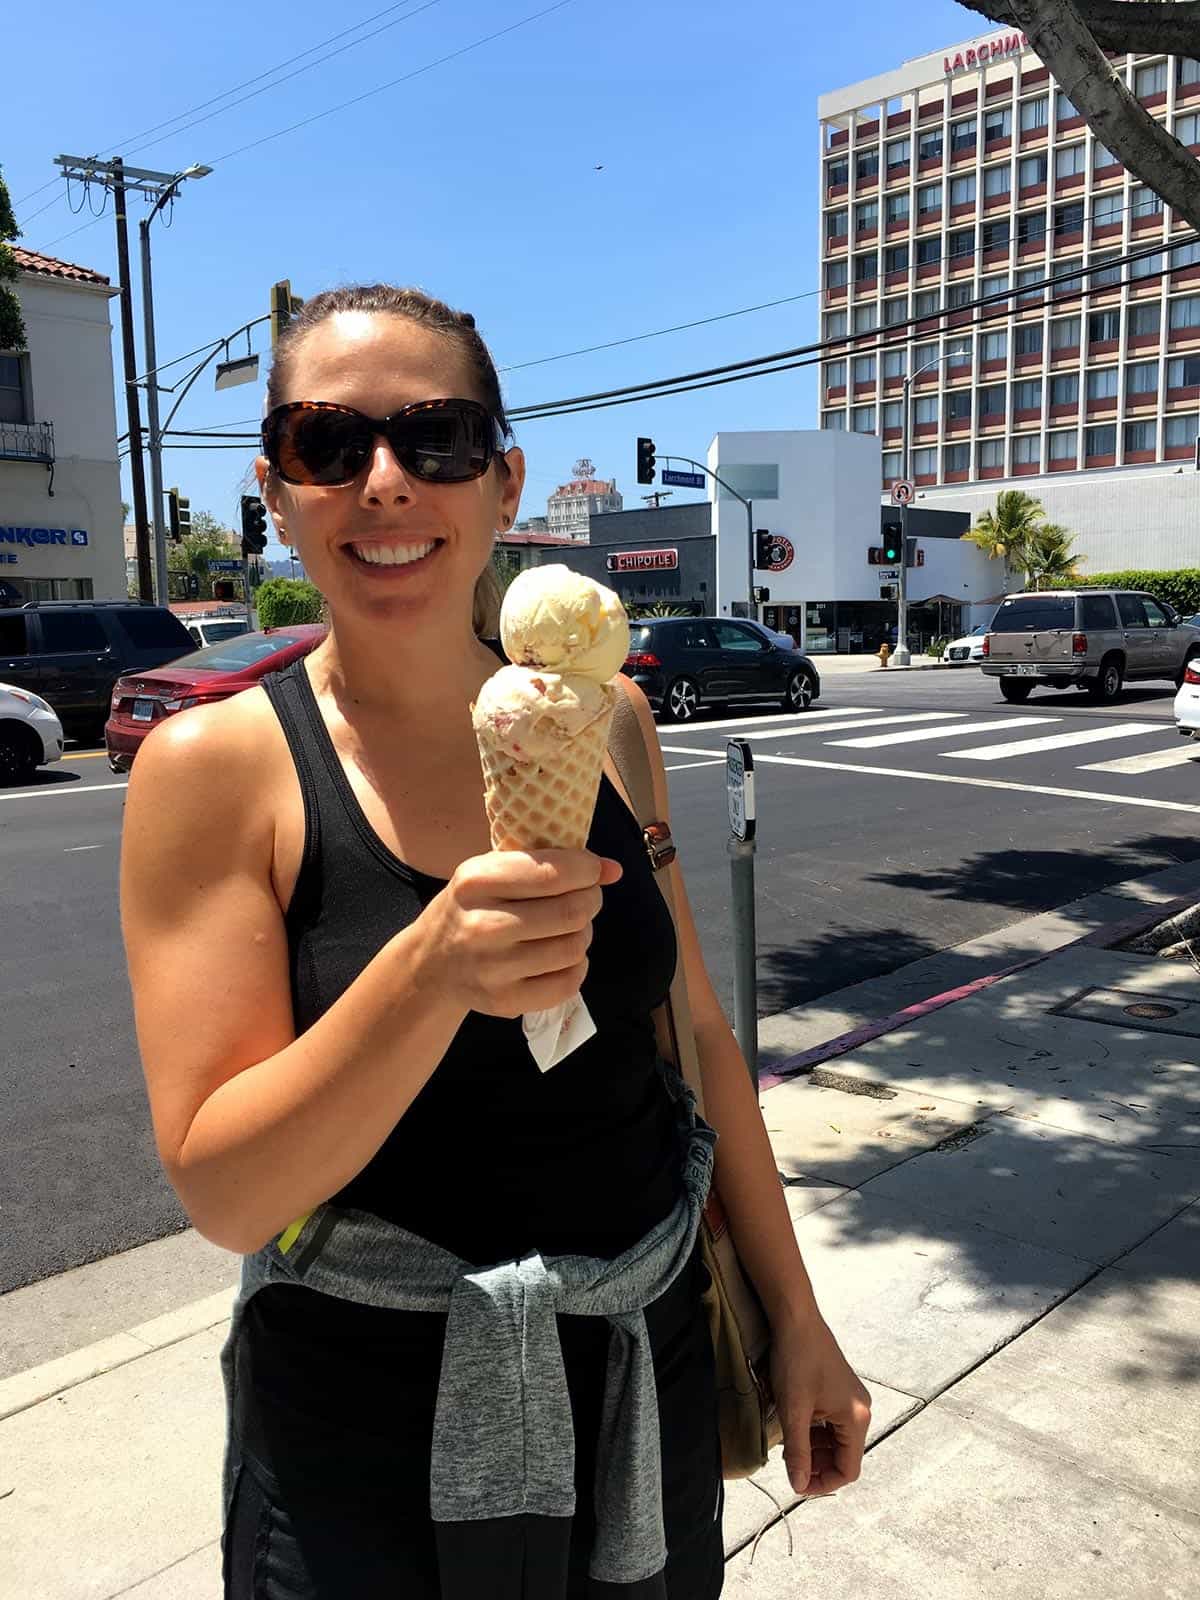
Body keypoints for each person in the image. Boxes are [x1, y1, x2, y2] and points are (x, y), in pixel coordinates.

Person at [120, 284, 871, 1600]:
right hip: (359, 1426)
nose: (386, 483)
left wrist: (796, 1315)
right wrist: (430, 971)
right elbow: (227, 1194)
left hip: (645, 1362)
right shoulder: (218, 770)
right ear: (277, 494)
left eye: (439, 438)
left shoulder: (611, 724)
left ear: (504, 477)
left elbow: (694, 1031)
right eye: (327, 446)